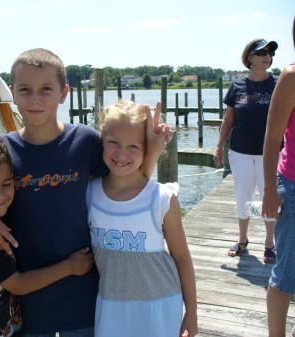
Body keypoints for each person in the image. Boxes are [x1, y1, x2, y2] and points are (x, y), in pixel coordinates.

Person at [0, 48, 172, 336]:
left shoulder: (86, 141)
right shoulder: (2, 150)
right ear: (12, 93)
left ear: (63, 93)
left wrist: (153, 150)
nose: (35, 98)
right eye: (25, 90)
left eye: (46, 89)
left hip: (84, 295)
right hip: (29, 302)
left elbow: (130, 185)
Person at [0, 133, 95, 337]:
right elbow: (18, 284)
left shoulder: (4, 213)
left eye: (7, 184)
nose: (0, 196)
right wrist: (70, 266)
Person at [87, 100, 198, 337]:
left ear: (147, 148)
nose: (121, 153)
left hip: (161, 303)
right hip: (109, 305)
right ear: (101, 141)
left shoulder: (161, 199)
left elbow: (182, 258)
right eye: (113, 142)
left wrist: (191, 313)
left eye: (133, 146)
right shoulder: (88, 193)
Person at [214, 38, 279, 262]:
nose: (267, 56)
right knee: (244, 197)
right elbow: (228, 119)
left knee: (269, 197)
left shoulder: (279, 84)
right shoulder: (237, 86)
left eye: (270, 53)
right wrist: (219, 146)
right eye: (261, 52)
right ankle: (243, 241)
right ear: (249, 57)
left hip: (271, 154)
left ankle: (270, 243)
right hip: (240, 152)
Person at [262, 17, 295, 337]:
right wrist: (270, 191)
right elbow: (272, 139)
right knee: (286, 272)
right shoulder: (291, 76)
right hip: (294, 185)